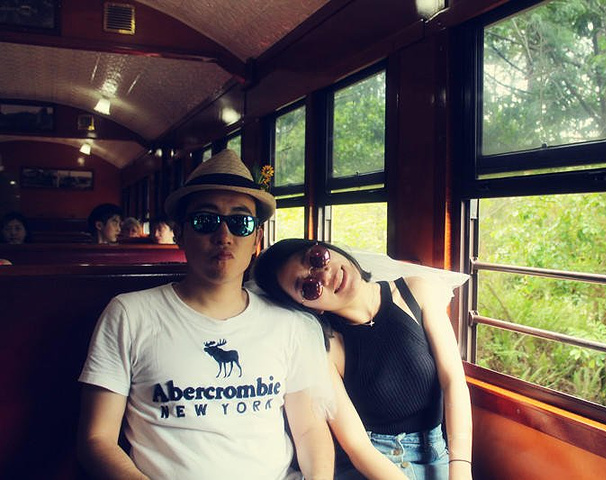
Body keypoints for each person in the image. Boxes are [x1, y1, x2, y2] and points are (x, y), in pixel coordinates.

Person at [77, 149, 335, 480]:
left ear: (257, 238)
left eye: (240, 223)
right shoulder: (129, 314)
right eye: (205, 221)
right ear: (180, 233)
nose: (223, 236)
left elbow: (309, 430)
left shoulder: (288, 323)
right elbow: (96, 439)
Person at [253, 239, 474, 480]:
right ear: (311, 308)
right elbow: (357, 446)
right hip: (373, 465)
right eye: (309, 287)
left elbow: (453, 381)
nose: (324, 275)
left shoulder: (415, 292)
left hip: (437, 453)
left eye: (317, 257)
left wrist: (461, 467)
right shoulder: (325, 347)